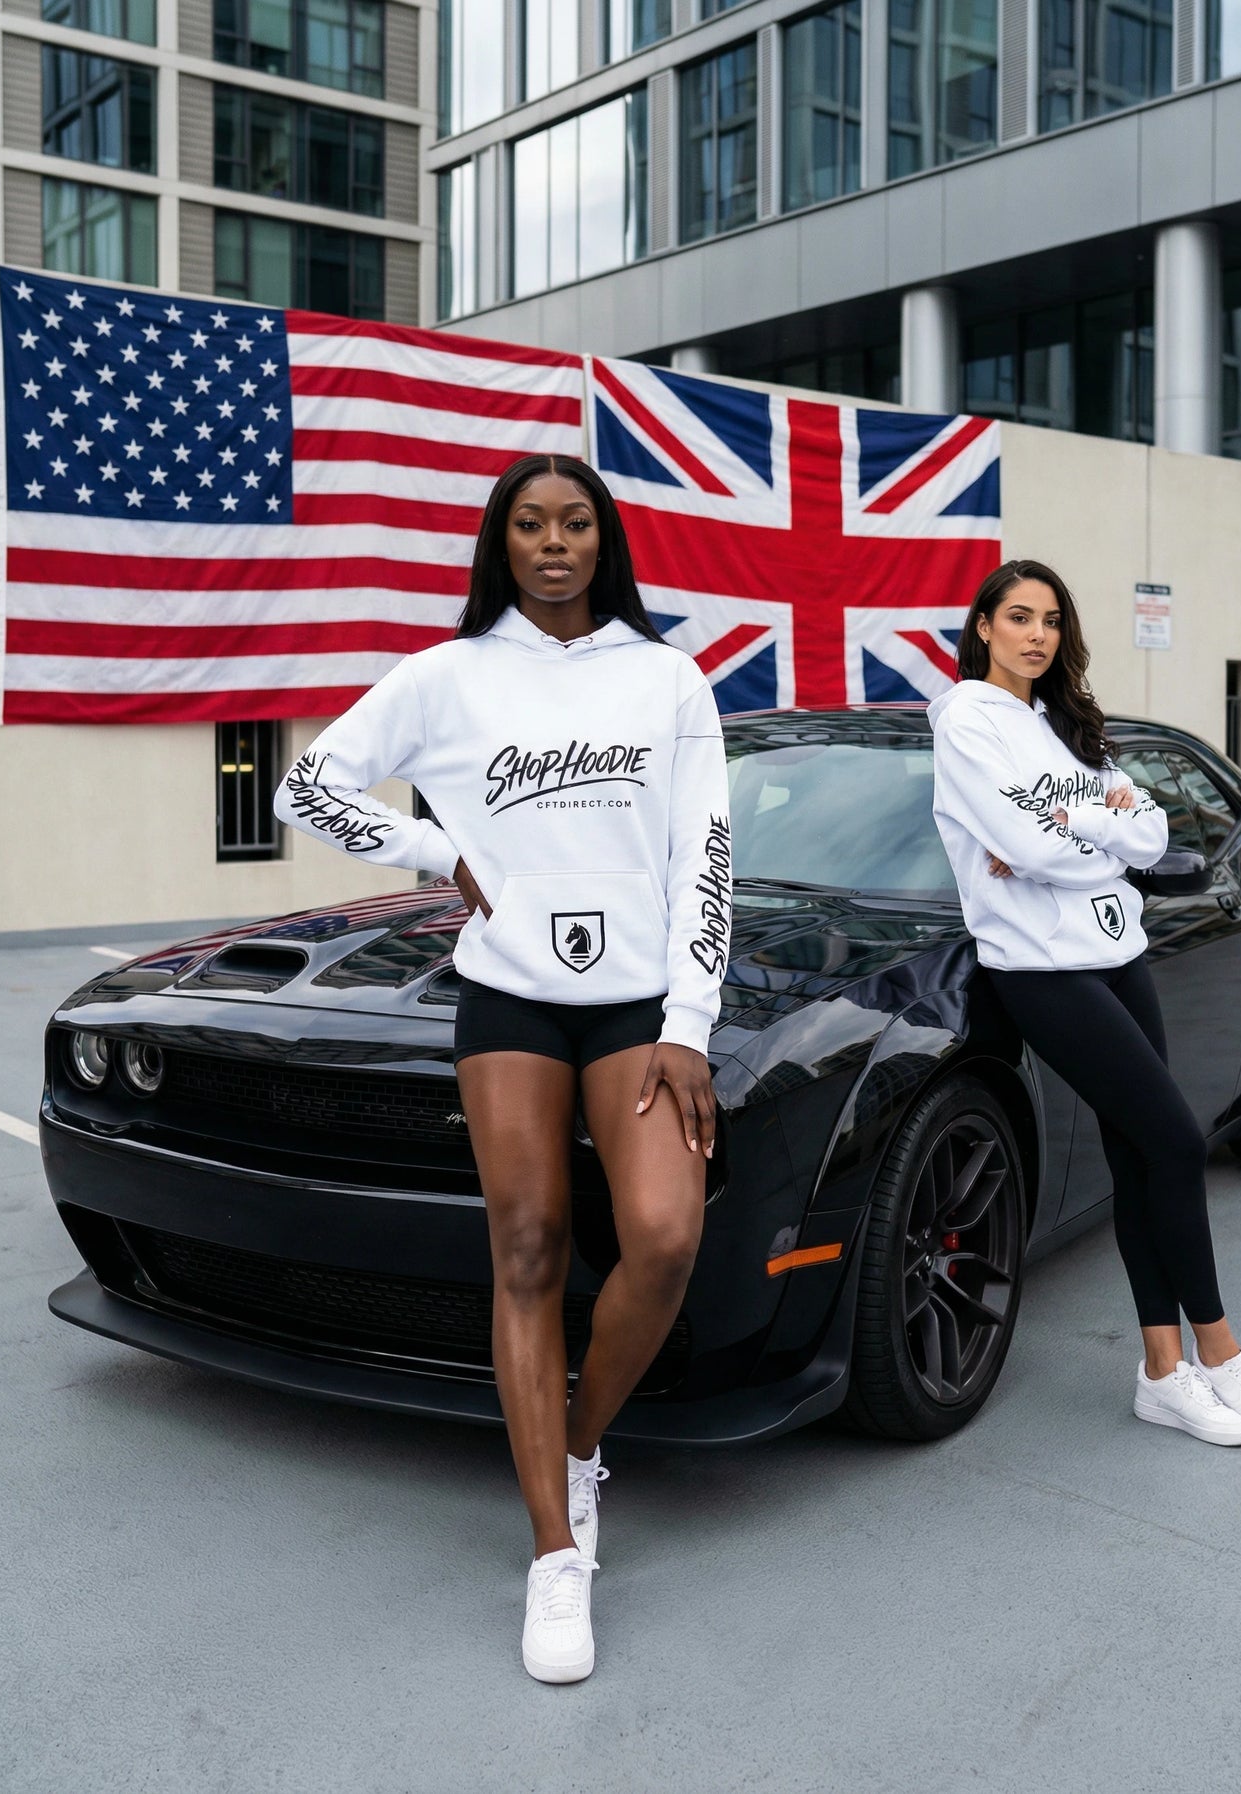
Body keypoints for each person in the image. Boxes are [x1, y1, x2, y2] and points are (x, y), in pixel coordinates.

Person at [273, 454, 732, 1682]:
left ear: (604, 538)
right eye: (528, 524)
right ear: (500, 541)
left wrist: (690, 1020)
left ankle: (580, 1445)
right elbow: (306, 782)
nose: (552, 543)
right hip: (509, 1001)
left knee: (664, 1236)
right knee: (526, 1246)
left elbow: (706, 855)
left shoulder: (667, 678)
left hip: (637, 1000)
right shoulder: (447, 675)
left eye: (574, 522)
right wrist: (433, 851)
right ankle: (550, 1556)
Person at [928, 559, 1241, 1449]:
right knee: (1177, 1138)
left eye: (1050, 620)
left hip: (1116, 948)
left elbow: (1146, 833)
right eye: (1016, 617)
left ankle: (1161, 1374)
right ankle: (1220, 1353)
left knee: (1140, 1152)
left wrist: (1077, 835)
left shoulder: (1060, 723)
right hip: (1039, 968)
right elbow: (1031, 842)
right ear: (982, 625)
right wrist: (1086, 831)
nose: (1035, 634)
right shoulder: (965, 723)